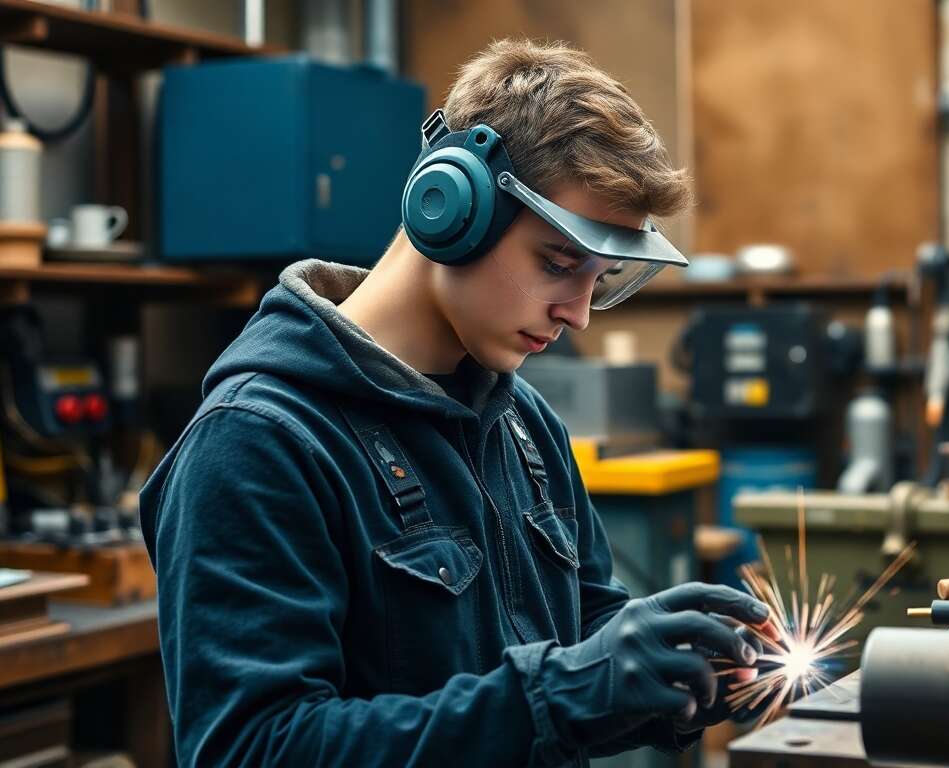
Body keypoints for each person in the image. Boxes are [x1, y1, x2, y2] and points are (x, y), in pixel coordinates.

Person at [140, 39, 773, 766]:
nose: (579, 314)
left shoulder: (524, 425)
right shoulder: (258, 443)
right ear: (450, 206)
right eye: (559, 265)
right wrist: (561, 695)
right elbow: (252, 748)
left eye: (597, 281)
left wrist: (685, 668)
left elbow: (585, 640)